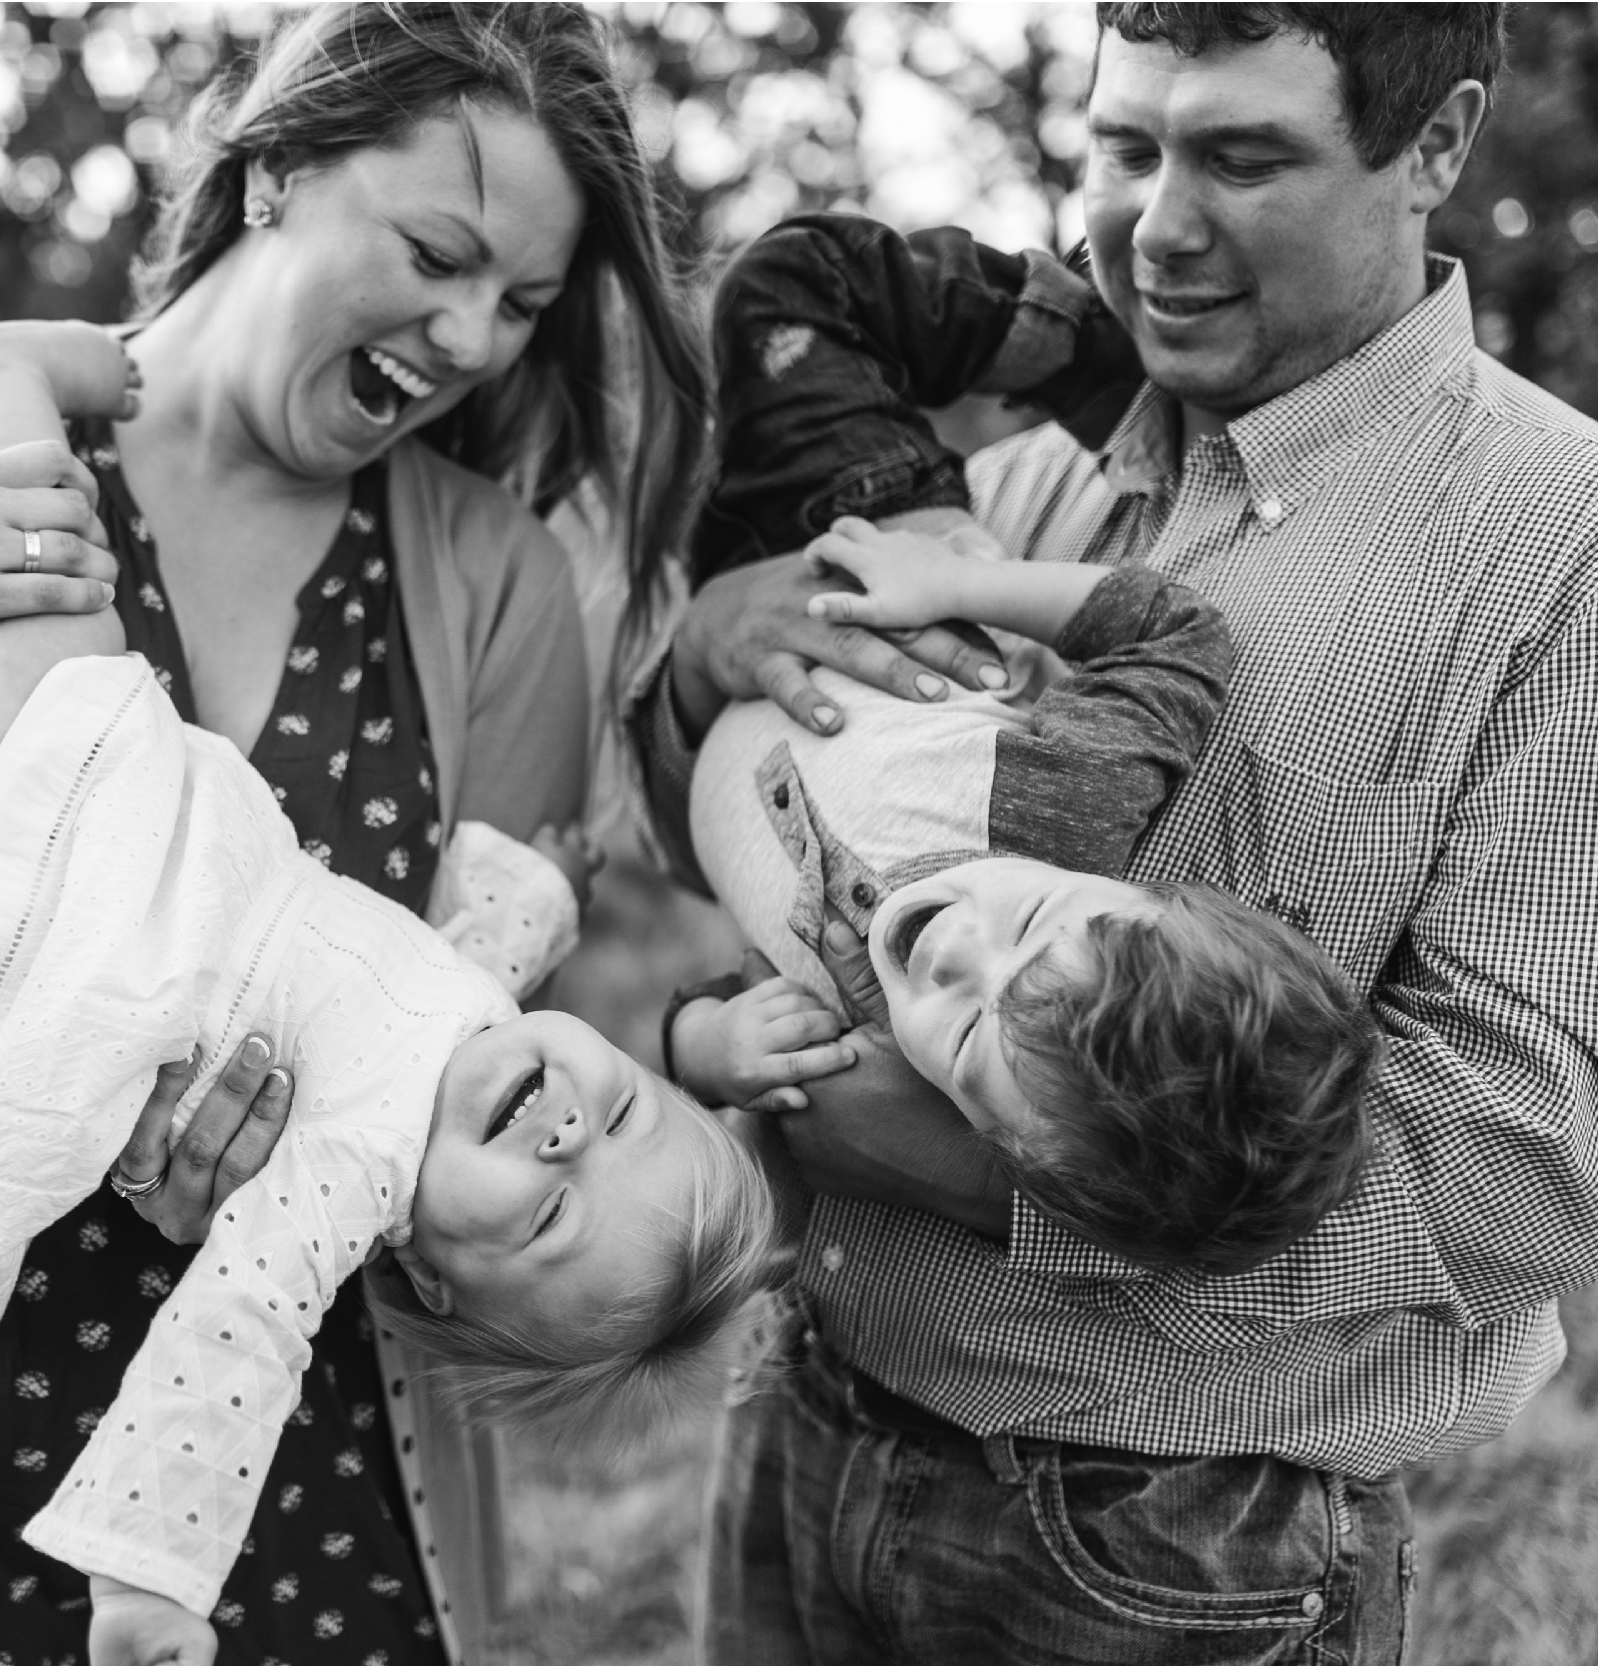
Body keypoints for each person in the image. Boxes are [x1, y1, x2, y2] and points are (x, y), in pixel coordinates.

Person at [0, 6, 713, 1661]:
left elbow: (458, 1062)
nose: (467, 337)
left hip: (259, 1466)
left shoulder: (498, 580)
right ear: (279, 169)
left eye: (519, 304)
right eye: (439, 254)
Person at [634, 5, 1593, 1661]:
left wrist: (998, 1178)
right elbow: (739, 835)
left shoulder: (1557, 546)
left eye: (1240, 156)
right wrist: (704, 666)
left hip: (1168, 1548)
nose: (1155, 225)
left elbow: (1526, 1176)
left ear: (1433, 145)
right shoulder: (1019, 477)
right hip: (810, 1415)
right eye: (1123, 147)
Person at [673, 513, 1376, 1276]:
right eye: (1032, 920)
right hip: (849, 569)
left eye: (969, 1036)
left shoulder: (867, 1054)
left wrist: (706, 1050)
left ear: (980, 1137)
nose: (949, 954)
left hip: (684, 741)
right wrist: (956, 583)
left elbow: (731, 997)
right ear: (1149, 891)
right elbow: (1181, 634)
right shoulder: (1065, 795)